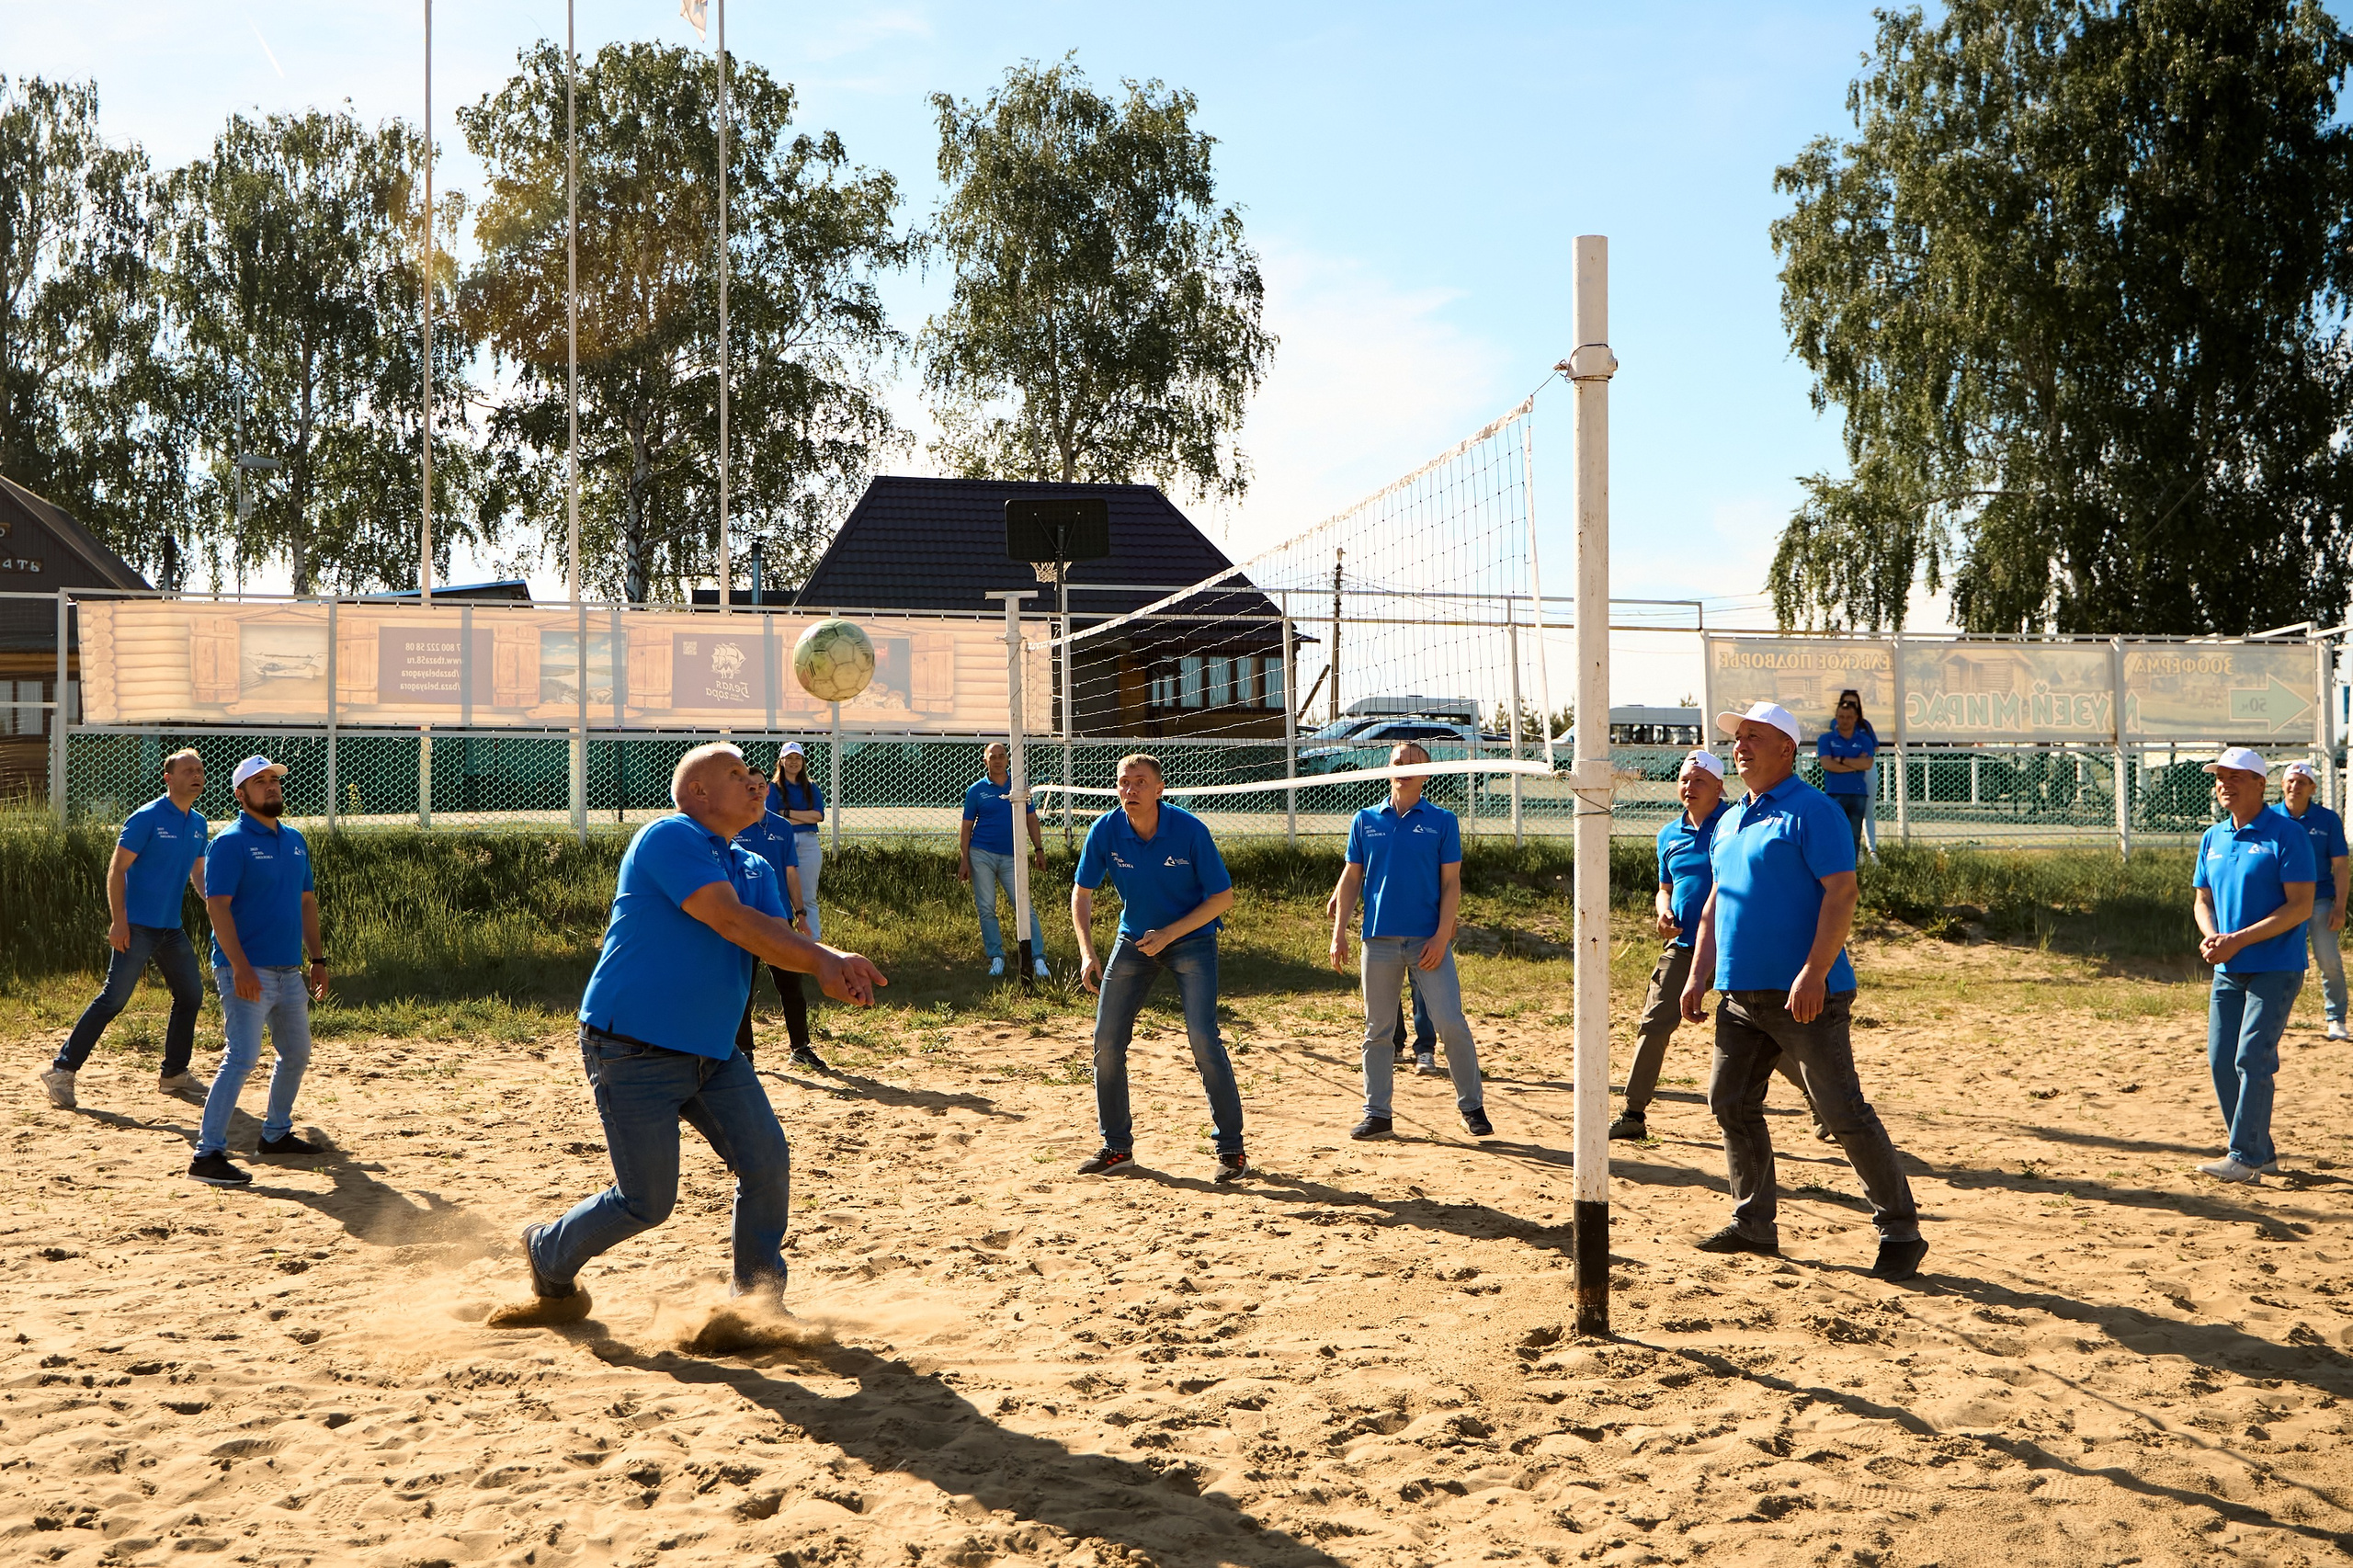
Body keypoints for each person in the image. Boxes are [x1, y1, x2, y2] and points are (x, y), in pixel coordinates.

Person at [504, 743, 888, 1321]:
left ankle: (757, 1305)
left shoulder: (752, 866)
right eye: (739, 775)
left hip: (713, 1052)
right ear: (699, 794)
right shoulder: (669, 837)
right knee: (646, 1202)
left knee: (766, 1165)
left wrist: (832, 962)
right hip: (633, 1048)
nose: (757, 783)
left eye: (757, 774)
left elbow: (768, 938)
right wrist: (822, 961)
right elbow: (730, 920)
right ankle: (547, 1253)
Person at [1680, 700, 1927, 1281]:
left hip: (1806, 994)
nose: (1740, 746)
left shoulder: (1811, 810)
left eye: (1754, 737)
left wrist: (1815, 970)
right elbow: (1717, 902)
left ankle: (1900, 1230)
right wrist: (1697, 974)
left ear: (1787, 749)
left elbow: (1842, 893)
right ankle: (1753, 1225)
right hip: (1739, 994)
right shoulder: (1733, 818)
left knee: (1843, 1113)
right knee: (1730, 1102)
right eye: (1737, 738)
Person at [1613, 750, 1820, 1142]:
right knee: (1654, 1023)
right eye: (1685, 780)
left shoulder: (1734, 822)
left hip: (1735, 945)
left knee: (1765, 1028)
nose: (1689, 787)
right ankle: (1633, 1113)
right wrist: (1662, 912)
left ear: (1719, 787)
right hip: (1687, 945)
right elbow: (1665, 888)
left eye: (1699, 781)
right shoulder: (1668, 834)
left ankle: (1819, 1102)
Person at [1070, 754, 1245, 1181]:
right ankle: (1117, 1148)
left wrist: (1170, 934)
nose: (1130, 790)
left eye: (1140, 782)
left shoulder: (1188, 830)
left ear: (1160, 789)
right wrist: (1088, 951)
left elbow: (1223, 898)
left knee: (1204, 1039)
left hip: (1191, 940)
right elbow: (1081, 894)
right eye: (1123, 782)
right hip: (1134, 939)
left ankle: (1232, 1151)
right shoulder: (1106, 829)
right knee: (1106, 1042)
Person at [1331, 742, 1494, 1141]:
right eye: (1397, 762)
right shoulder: (1365, 819)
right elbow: (1352, 877)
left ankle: (1472, 1107)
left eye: (1413, 763)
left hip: (1427, 941)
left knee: (1450, 1023)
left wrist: (1441, 936)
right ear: (1387, 769)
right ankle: (1378, 1113)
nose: (1404, 767)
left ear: (1427, 774)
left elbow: (1451, 883)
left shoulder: (1442, 821)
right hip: (1379, 941)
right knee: (1378, 1031)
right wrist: (1339, 934)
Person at [40, 748, 212, 1110]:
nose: (196, 775)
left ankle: (174, 1074)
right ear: (168, 778)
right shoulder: (146, 818)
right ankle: (62, 1071)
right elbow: (117, 870)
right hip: (136, 927)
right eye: (188, 771)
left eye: (199, 770)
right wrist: (119, 920)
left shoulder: (198, 823)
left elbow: (198, 872)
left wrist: (214, 903)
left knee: (191, 995)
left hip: (171, 929)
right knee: (113, 1000)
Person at [188, 756, 329, 1187]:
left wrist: (318, 960)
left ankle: (275, 1134)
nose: (270, 786)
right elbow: (217, 907)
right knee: (242, 1057)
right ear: (240, 795)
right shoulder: (229, 843)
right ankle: (207, 1154)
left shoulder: (295, 840)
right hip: (246, 971)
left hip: (289, 971)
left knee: (297, 1053)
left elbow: (306, 903)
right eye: (259, 781)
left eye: (274, 780)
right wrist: (240, 967)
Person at [2193, 747, 2315, 1183]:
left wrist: (2237, 941)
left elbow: (2300, 907)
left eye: (2235, 777)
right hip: (2227, 968)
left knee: (2252, 1056)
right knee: (2221, 1059)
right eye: (2220, 776)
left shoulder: (2287, 835)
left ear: (2260, 783)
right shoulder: (2213, 837)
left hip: (2275, 966)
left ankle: (2243, 1157)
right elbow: (2202, 898)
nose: (2224, 783)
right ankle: (2260, 1152)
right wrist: (2212, 935)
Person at [733, 791, 826, 1074]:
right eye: (749, 786)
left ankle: (800, 1049)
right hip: (745, 922)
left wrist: (800, 913)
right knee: (742, 991)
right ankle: (744, 1053)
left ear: (767, 790)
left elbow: (791, 873)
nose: (756, 791)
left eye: (761, 786)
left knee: (792, 987)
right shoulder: (732, 826)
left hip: (778, 919)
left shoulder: (781, 827)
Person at [1324, 873, 1436, 1069]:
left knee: (1421, 987)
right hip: (1383, 917)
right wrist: (1339, 891)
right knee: (1387, 987)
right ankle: (1394, 1043)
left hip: (1421, 918)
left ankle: (1425, 1049)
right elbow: (1356, 861)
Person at [2272, 759, 2348, 1042]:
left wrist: (2339, 907)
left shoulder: (2327, 820)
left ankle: (2336, 1018)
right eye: (2290, 781)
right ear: (2282, 785)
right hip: (2283, 903)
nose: (2295, 786)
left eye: (2302, 782)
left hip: (2320, 901)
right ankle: (2275, 1016)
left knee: (2328, 961)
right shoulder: (2272, 818)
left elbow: (2340, 865)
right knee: (2282, 963)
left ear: (2312, 789)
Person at [961, 741, 1050, 978]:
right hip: (981, 855)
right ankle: (996, 957)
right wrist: (964, 859)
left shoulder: (1019, 787)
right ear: (985, 760)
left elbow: (1031, 820)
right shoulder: (976, 791)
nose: (998, 760)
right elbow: (967, 827)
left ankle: (1038, 959)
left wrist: (1038, 850)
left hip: (1014, 857)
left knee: (1024, 907)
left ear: (1008, 759)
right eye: (993, 757)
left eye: (1002, 755)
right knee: (987, 907)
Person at [766, 744, 827, 938]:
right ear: (781, 762)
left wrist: (788, 813)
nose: (794, 762)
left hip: (808, 842)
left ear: (803, 762)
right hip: (782, 841)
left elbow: (818, 816)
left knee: (808, 895)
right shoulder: (773, 788)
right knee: (778, 892)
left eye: (797, 758)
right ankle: (782, 938)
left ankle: (813, 941)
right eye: (789, 758)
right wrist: (802, 816)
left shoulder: (811, 787)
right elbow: (773, 817)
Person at [1813, 688, 1878, 853]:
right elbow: (1827, 764)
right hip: (1835, 792)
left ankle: (1865, 858)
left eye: (1850, 715)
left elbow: (1867, 763)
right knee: (1834, 833)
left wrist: (1841, 760)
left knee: (1854, 835)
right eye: (1842, 716)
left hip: (1858, 791)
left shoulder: (1864, 734)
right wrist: (1855, 763)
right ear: (1836, 717)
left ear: (1856, 716)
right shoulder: (1827, 738)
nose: (1845, 720)